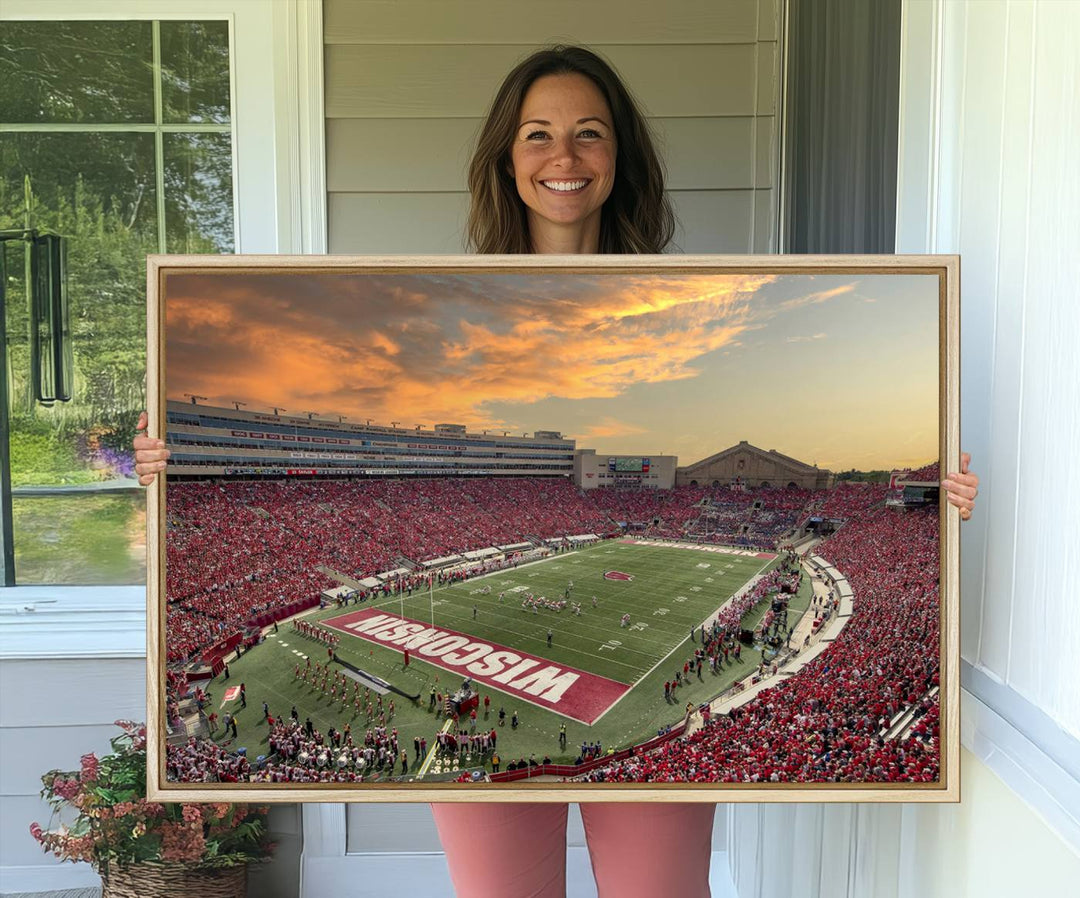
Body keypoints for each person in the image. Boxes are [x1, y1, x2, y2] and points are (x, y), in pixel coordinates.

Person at [133, 42, 980, 898]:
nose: (563, 157)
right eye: (537, 134)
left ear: (621, 157)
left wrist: (930, 503)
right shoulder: (446, 304)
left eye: (589, 133)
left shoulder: (694, 292)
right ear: (506, 157)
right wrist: (167, 467)